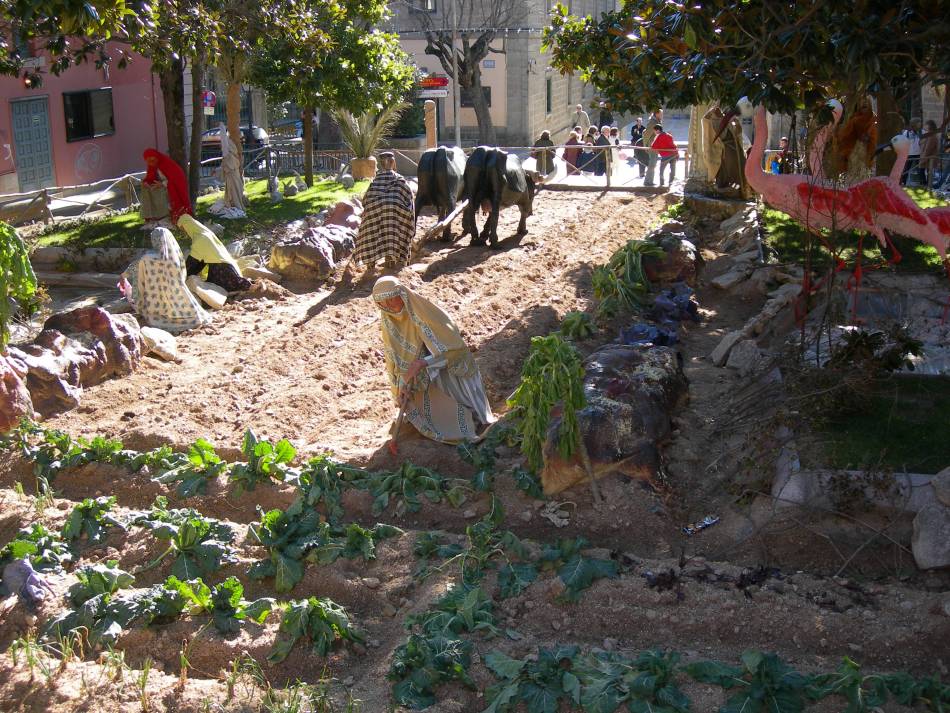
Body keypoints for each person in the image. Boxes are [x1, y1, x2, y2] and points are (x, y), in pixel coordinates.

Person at [372, 276, 495, 443]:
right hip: (424, 370)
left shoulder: (424, 312)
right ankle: (448, 421)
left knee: (459, 389)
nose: (389, 307)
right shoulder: (389, 321)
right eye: (383, 304)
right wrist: (401, 386)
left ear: (402, 294)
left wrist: (424, 363)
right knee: (414, 395)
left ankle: (478, 419)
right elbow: (395, 359)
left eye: (391, 299)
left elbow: (453, 348)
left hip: (448, 365)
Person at [121, 227, 210, 333]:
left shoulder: (148, 259)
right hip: (178, 295)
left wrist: (123, 276)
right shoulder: (175, 257)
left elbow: (135, 267)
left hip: (158, 300)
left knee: (157, 311)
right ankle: (189, 318)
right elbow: (182, 273)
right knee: (186, 305)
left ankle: (166, 320)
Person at [353, 151, 416, 272]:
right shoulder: (401, 182)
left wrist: (376, 208)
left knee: (370, 225)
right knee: (395, 226)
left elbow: (365, 201)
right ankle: (390, 258)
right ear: (393, 163)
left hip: (373, 216)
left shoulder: (374, 183)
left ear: (381, 165)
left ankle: (370, 262)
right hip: (393, 220)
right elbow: (409, 202)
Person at [177, 214, 251, 292]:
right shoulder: (204, 233)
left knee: (228, 286)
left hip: (223, 267)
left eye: (183, 229)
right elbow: (201, 262)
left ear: (188, 226)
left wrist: (182, 275)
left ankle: (251, 286)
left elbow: (193, 262)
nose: (184, 232)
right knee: (212, 285)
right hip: (223, 265)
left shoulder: (200, 239)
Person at [142, 149, 192, 223]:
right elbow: (150, 177)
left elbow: (175, 179)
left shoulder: (167, 163)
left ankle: (177, 217)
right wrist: (146, 183)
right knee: (146, 190)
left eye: (152, 160)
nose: (151, 163)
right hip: (162, 186)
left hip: (173, 187)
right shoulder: (152, 166)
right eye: (149, 162)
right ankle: (154, 216)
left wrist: (162, 184)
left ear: (156, 157)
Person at [900, 118, 922, 186]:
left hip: (918, 154)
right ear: (914, 124)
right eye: (918, 123)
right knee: (906, 169)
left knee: (921, 169)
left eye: (920, 123)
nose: (920, 125)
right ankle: (903, 182)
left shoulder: (921, 132)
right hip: (909, 154)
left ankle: (922, 183)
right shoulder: (906, 133)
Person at [920, 120, 939, 188]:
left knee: (924, 171)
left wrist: (923, 159)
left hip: (928, 158)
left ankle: (925, 186)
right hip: (926, 157)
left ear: (930, 126)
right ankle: (925, 185)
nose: (925, 126)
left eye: (926, 125)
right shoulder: (929, 134)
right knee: (927, 172)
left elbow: (928, 149)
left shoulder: (932, 136)